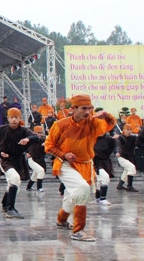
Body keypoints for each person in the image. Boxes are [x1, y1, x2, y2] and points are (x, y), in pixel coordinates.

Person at [45, 95, 116, 241]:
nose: (87, 112)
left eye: (89, 108)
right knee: (83, 189)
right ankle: (78, 230)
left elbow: (109, 125)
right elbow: (49, 146)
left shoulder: (93, 123)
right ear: (73, 109)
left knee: (73, 196)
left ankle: (61, 220)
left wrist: (107, 115)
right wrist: (64, 155)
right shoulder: (60, 125)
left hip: (86, 165)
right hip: (65, 165)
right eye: (84, 108)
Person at [0, 108, 39, 219]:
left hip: (18, 160)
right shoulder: (2, 130)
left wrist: (27, 139)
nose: (14, 120)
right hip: (5, 160)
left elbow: (37, 137)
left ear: (20, 118)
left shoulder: (24, 131)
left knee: (14, 182)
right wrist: (0, 152)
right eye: (11, 117)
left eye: (16, 118)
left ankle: (4, 204)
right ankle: (10, 208)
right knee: (15, 178)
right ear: (8, 118)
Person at [93, 130, 116, 205]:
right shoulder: (91, 138)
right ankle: (103, 198)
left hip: (105, 161)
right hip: (95, 162)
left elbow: (112, 148)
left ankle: (98, 197)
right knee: (104, 177)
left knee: (101, 180)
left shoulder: (109, 139)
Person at [115, 124, 139, 192]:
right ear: (124, 130)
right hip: (122, 157)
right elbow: (116, 145)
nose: (129, 131)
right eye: (127, 129)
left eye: (130, 130)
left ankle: (120, 185)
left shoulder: (133, 138)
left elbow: (139, 141)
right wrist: (117, 152)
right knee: (131, 167)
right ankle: (129, 186)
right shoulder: (120, 138)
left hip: (129, 157)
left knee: (126, 171)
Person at [25, 125, 47, 192]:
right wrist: (26, 152)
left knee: (35, 174)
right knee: (40, 171)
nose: (39, 134)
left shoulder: (44, 139)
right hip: (32, 159)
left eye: (40, 132)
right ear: (34, 132)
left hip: (40, 159)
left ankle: (29, 187)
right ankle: (39, 187)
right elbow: (23, 146)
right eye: (38, 132)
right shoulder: (30, 139)